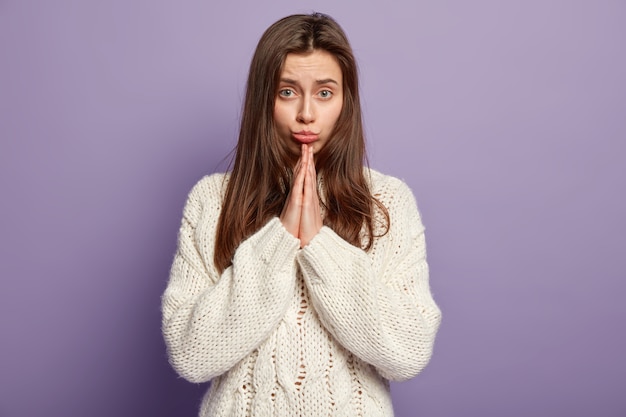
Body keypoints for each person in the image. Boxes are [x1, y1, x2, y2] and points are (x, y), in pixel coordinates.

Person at [162, 12, 441, 417]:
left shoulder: (388, 202)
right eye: (287, 92)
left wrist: (319, 245)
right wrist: (280, 239)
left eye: (325, 93)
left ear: (346, 102)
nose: (306, 113)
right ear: (264, 100)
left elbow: (409, 352)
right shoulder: (211, 200)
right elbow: (192, 355)